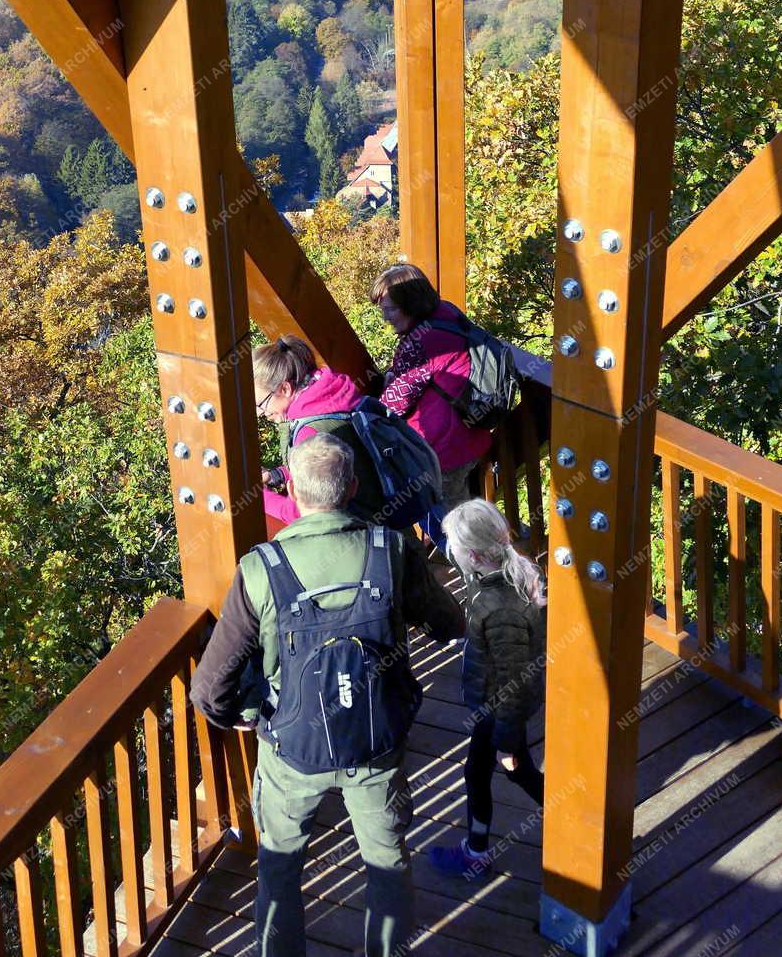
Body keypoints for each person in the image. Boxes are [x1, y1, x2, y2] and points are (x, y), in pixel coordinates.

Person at [191, 434, 465, 957]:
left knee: (278, 864)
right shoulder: (393, 549)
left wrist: (244, 716)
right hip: (375, 740)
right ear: (353, 487)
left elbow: (210, 688)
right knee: (387, 863)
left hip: (293, 746)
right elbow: (447, 624)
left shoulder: (261, 569)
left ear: (292, 490)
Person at [429, 498, 546, 879]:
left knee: (513, 769)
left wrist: (507, 741)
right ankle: (477, 847)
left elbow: (515, 680)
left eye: (454, 547)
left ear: (475, 556)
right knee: (479, 771)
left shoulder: (501, 610)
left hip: (500, 704)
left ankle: (479, 853)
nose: (448, 553)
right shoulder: (498, 572)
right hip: (492, 701)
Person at [371, 263, 493, 535]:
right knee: (462, 514)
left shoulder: (421, 341)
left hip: (442, 449)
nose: (385, 316)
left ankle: (476, 570)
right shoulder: (445, 313)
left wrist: (387, 385)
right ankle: (481, 562)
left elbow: (394, 403)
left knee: (452, 526)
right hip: (469, 434)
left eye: (389, 308)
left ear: (410, 304)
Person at [254, 334, 386, 527]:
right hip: (390, 526)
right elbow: (331, 466)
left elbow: (301, 510)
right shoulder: (334, 397)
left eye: (261, 404)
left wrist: (258, 496)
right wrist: (279, 474)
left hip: (366, 538)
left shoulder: (310, 431)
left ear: (284, 389)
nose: (259, 413)